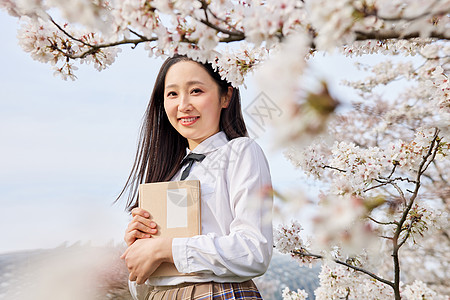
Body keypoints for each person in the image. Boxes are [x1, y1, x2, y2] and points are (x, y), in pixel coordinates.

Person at [118, 55, 273, 300]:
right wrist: (139, 250)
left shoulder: (241, 151)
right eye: (172, 94)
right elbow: (143, 287)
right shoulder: (170, 174)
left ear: (226, 96)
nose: (184, 105)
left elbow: (254, 251)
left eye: (196, 90)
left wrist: (166, 248)